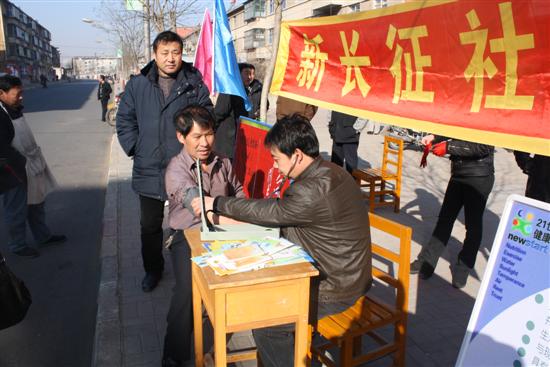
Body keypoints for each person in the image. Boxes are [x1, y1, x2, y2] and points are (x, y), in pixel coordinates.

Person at [193, 114, 372, 367]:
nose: (275, 166)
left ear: (297, 155)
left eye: (277, 159)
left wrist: (218, 203)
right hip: (347, 273)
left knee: (266, 323)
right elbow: (284, 216)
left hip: (336, 288)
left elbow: (272, 211)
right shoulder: (328, 170)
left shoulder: (311, 189)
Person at [116, 30, 212, 293]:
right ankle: (153, 270)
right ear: (155, 55)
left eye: (176, 53)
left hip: (184, 167)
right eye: (165, 53)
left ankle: (193, 268)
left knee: (190, 220)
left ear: (182, 54)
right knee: (150, 226)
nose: (171, 59)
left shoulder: (193, 82)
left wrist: (198, 149)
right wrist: (136, 147)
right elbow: (124, 120)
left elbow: (206, 116)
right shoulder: (138, 85)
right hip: (149, 167)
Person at [162, 105, 244, 367]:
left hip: (223, 233)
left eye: (208, 134)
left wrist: (251, 213)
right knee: (186, 290)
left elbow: (239, 192)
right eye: (196, 137)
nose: (204, 143)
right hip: (187, 235)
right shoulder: (175, 170)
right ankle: (173, 354)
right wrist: (241, 225)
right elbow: (199, 207)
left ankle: (222, 340)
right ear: (181, 137)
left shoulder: (224, 162)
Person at [411, 135, 495, 288]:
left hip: (479, 176)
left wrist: (449, 148)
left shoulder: (488, 114)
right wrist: (434, 137)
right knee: (445, 220)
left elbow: (483, 147)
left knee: (473, 225)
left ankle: (463, 267)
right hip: (458, 174)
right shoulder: (465, 111)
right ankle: (427, 261)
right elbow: (455, 128)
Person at [0, 75, 65, 258]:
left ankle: (43, 236)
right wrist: (21, 163)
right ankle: (17, 245)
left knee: (36, 203)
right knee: (16, 209)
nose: (21, 97)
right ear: (1, 93)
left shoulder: (14, 108)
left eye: (21, 93)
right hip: (13, 171)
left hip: (31, 164)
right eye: (17, 94)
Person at [213, 62, 265, 159]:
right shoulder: (230, 90)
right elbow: (219, 112)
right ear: (238, 73)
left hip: (242, 138)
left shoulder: (249, 90)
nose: (250, 77)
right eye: (247, 73)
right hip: (227, 140)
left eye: (253, 74)